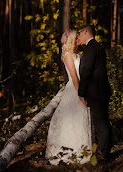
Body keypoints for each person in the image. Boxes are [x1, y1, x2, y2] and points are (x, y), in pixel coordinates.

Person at [45, 29, 92, 165]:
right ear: (72, 40)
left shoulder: (79, 55)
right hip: (74, 89)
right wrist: (80, 94)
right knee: (70, 120)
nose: (78, 39)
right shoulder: (67, 56)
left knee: (81, 120)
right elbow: (74, 77)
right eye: (76, 38)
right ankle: (67, 152)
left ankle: (82, 151)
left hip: (82, 88)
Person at [77, 26, 112, 162]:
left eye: (81, 32)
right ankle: (106, 152)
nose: (80, 35)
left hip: (96, 92)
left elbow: (86, 71)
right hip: (103, 90)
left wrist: (81, 92)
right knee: (105, 122)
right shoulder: (99, 47)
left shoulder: (90, 48)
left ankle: (101, 156)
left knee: (101, 124)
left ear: (86, 32)